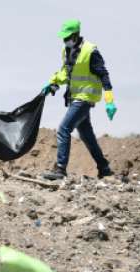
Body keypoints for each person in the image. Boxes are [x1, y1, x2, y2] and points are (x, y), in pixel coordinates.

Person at [41, 19, 116, 180]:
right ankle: (104, 168)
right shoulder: (66, 51)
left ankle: (60, 169)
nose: (64, 40)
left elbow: (104, 75)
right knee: (87, 135)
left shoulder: (90, 51)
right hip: (75, 97)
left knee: (63, 129)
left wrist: (109, 101)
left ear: (75, 35)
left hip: (85, 98)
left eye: (67, 37)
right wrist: (53, 83)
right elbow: (66, 73)